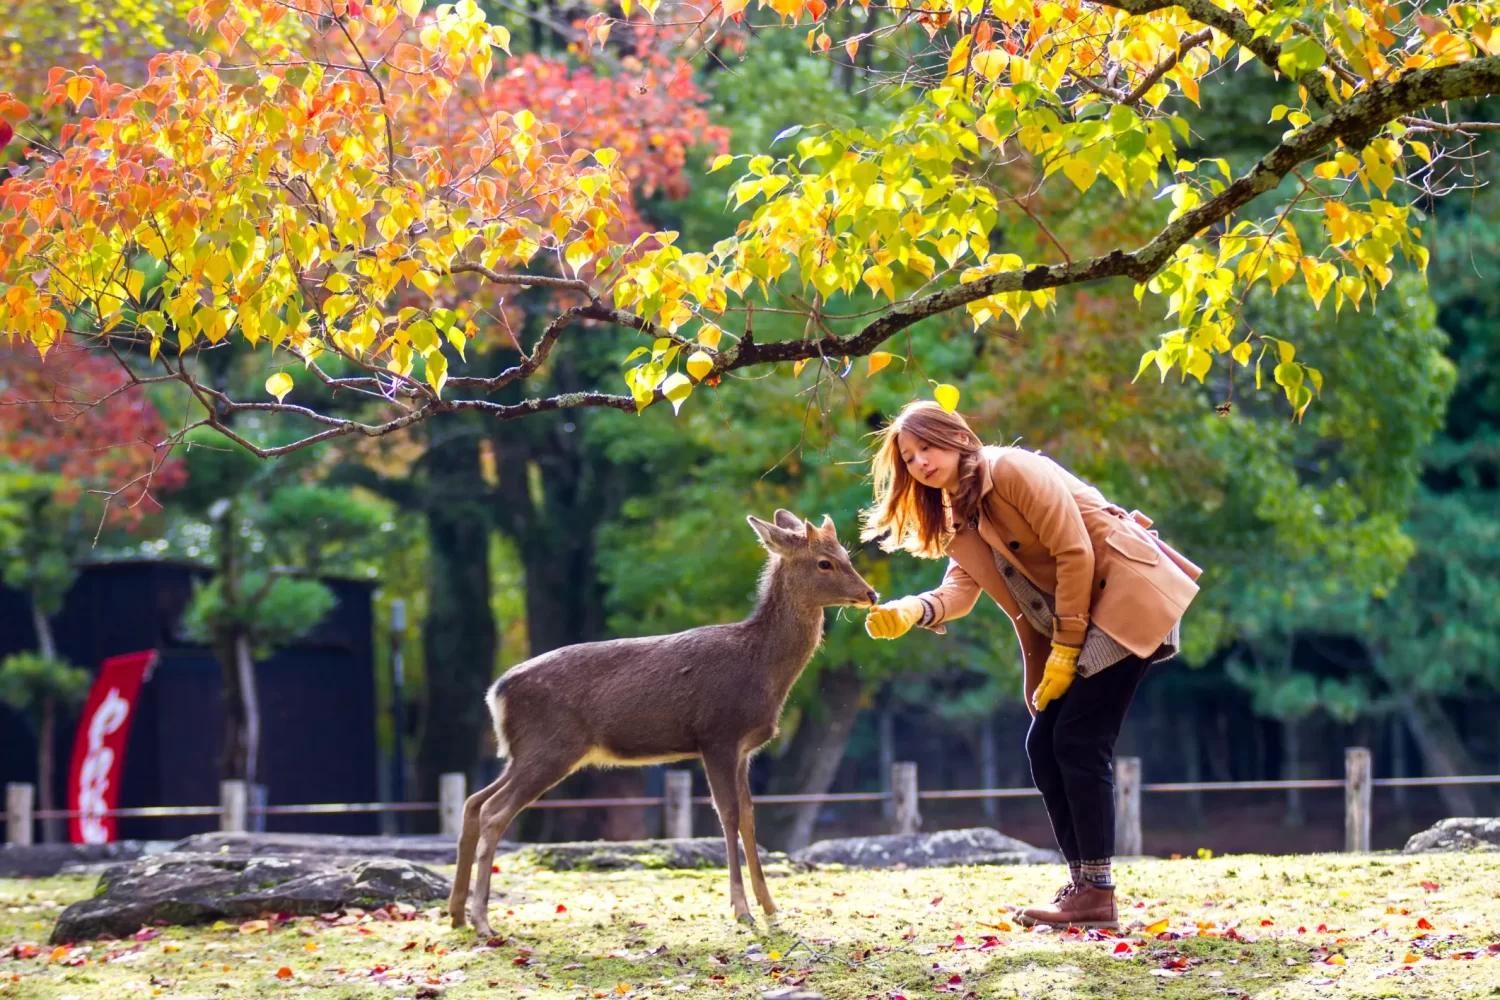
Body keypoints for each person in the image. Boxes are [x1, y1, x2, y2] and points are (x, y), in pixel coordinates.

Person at [860, 400, 1201, 929]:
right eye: (908, 458)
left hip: (1124, 595)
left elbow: (1075, 553)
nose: (920, 462)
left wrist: (1065, 650)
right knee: (1044, 745)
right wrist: (914, 610)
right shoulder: (959, 510)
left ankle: (1097, 892)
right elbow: (962, 588)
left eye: (926, 446)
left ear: (955, 436)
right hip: (1081, 617)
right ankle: (1085, 888)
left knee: (1079, 742)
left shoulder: (1009, 470)